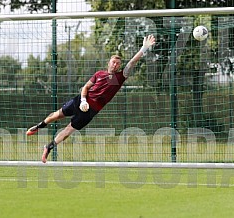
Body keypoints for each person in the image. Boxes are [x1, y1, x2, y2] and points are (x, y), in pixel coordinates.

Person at [26, 34, 156, 163]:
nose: (115, 65)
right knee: (55, 115)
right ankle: (39, 126)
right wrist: (83, 100)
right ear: (108, 63)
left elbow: (132, 62)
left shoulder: (119, 78)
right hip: (80, 101)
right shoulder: (99, 74)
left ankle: (48, 147)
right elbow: (85, 87)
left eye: (118, 63)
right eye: (113, 62)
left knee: (67, 131)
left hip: (91, 111)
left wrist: (143, 49)